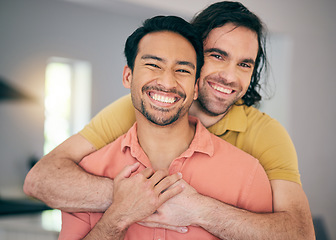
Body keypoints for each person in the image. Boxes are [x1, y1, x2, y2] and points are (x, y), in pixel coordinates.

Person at [24, 1, 315, 239]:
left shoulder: (262, 144)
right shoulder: (132, 110)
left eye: (244, 64)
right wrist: (132, 197)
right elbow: (42, 180)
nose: (229, 76)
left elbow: (300, 234)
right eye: (217, 55)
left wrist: (199, 209)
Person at [58, 15, 272, 239]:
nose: (167, 83)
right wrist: (118, 216)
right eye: (153, 65)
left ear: (196, 87)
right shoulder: (89, 170)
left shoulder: (248, 174)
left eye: (182, 70)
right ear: (128, 76)